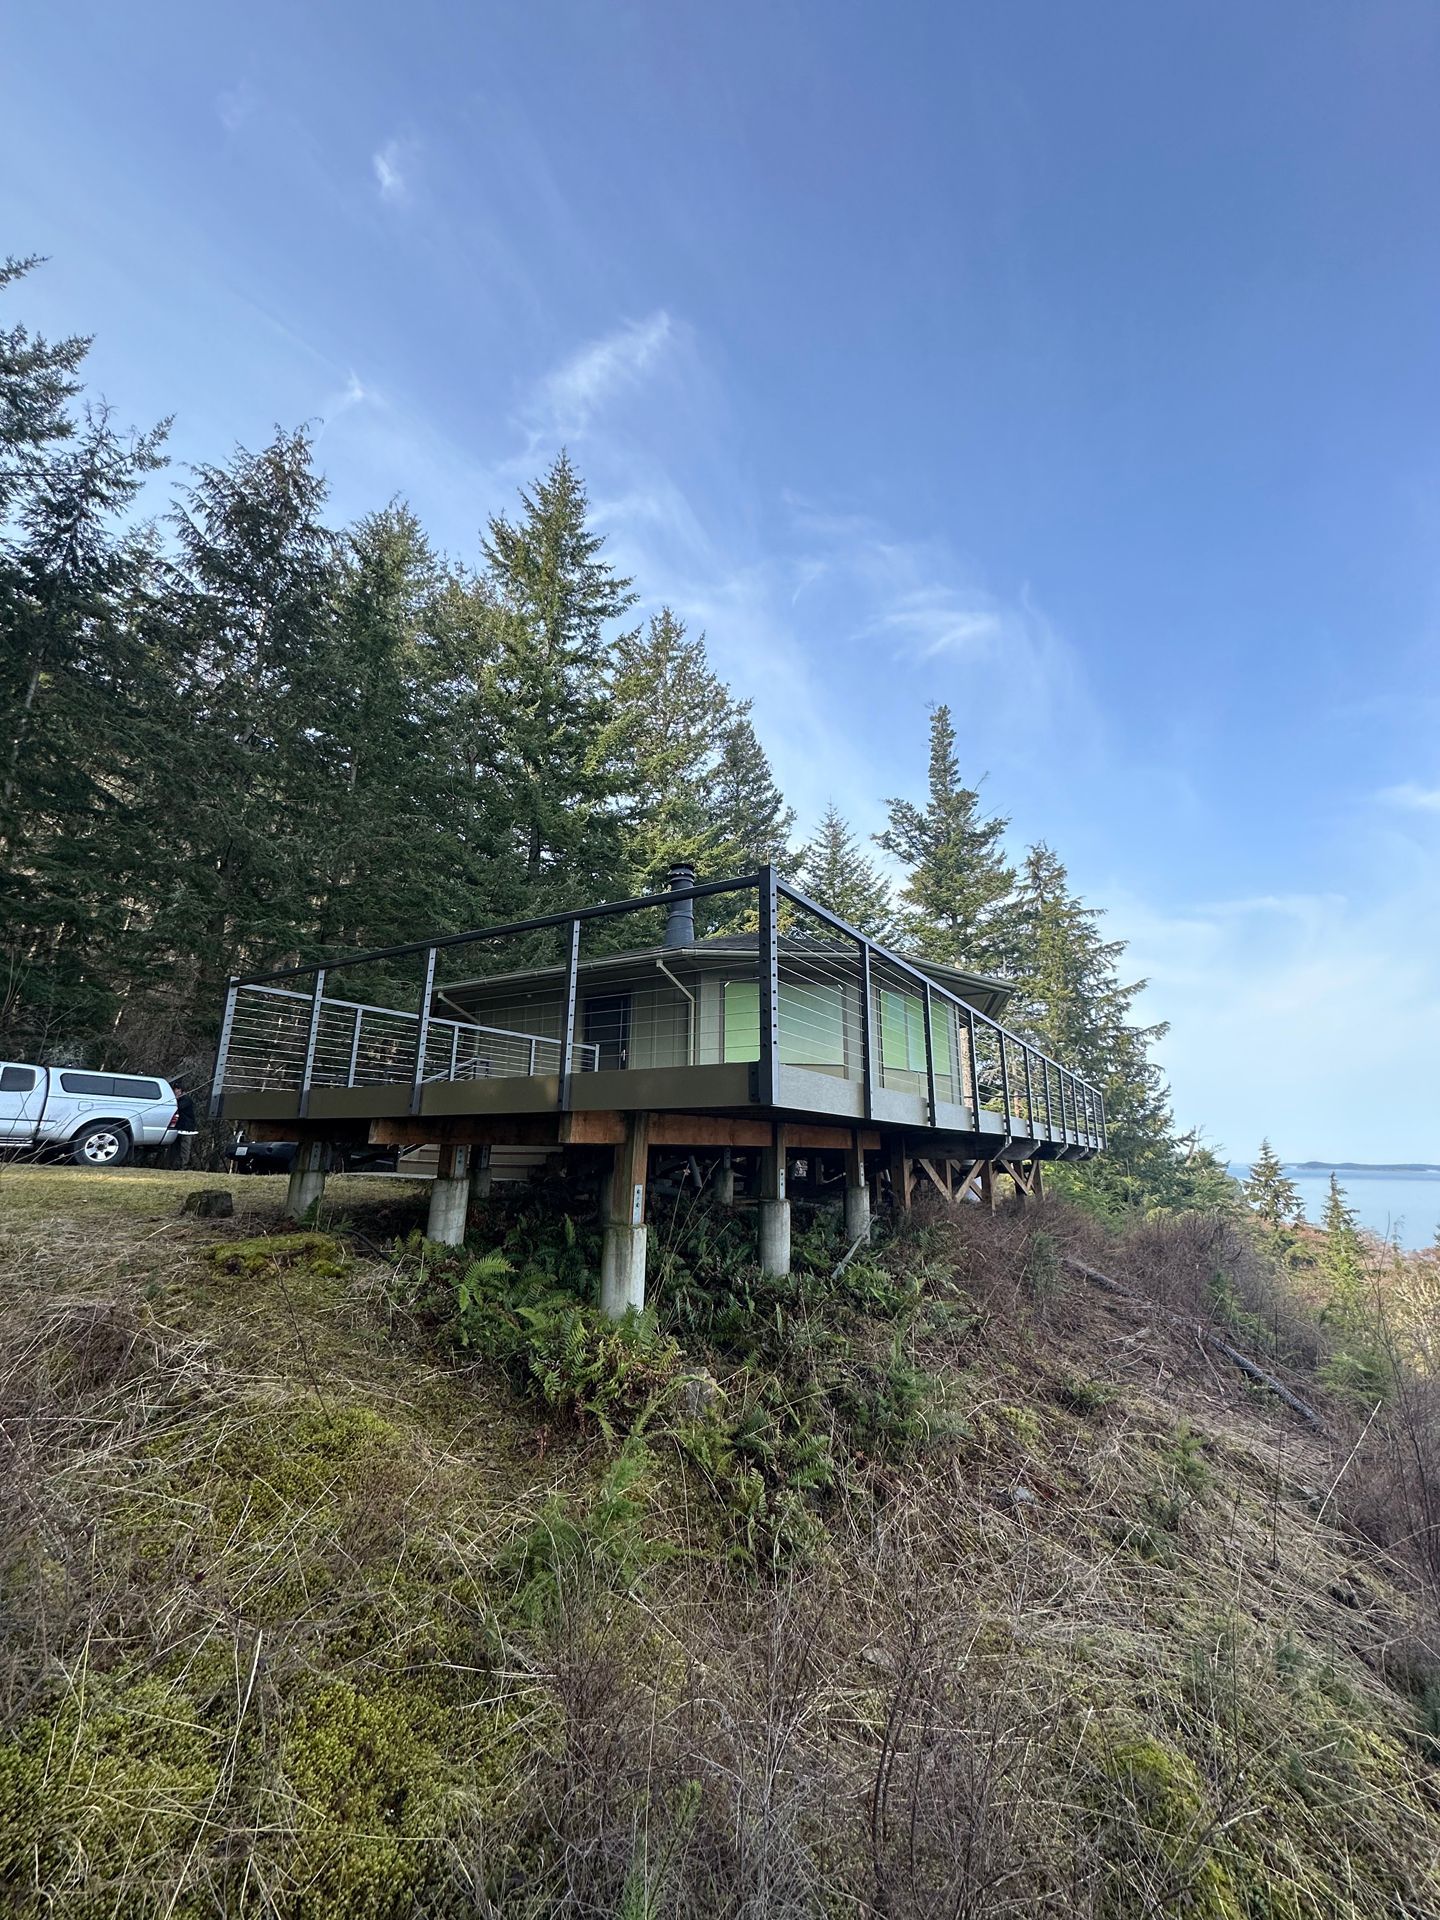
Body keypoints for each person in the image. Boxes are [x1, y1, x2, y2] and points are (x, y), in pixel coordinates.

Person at [172, 1080, 197, 1169]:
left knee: (184, 1147)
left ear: (181, 1090)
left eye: (177, 1089)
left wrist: (176, 1099)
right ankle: (174, 1165)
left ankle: (184, 1165)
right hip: (178, 1127)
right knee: (175, 1147)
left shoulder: (186, 1099)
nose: (175, 1091)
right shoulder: (179, 1100)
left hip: (186, 1128)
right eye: (175, 1089)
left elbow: (179, 1107)